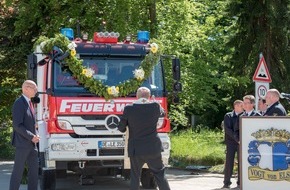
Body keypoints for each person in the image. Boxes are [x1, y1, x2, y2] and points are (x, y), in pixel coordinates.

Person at [118, 87, 171, 190]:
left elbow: (121, 129)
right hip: (153, 148)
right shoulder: (155, 106)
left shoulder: (129, 109)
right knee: (160, 174)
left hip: (136, 149)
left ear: (137, 96)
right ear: (149, 97)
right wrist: (155, 102)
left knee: (135, 176)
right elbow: (163, 113)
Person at [10, 80, 40, 190]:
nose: (36, 91)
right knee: (18, 172)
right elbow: (17, 125)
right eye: (34, 88)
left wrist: (36, 133)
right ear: (26, 88)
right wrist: (31, 136)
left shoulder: (29, 102)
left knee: (34, 172)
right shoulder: (19, 103)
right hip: (22, 144)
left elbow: (30, 124)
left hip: (32, 144)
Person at [222, 100, 244, 189]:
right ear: (236, 106)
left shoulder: (244, 115)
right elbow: (228, 130)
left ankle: (240, 182)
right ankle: (226, 182)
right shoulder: (228, 116)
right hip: (231, 142)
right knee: (229, 162)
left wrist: (240, 140)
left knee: (241, 162)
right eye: (241, 105)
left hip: (240, 143)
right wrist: (237, 139)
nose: (243, 107)